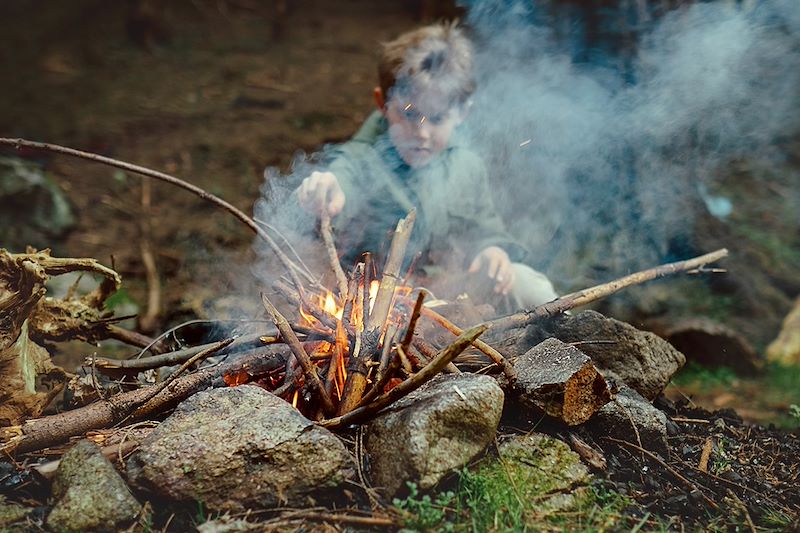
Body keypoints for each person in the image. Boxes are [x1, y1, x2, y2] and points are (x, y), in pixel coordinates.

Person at [295, 22, 557, 310]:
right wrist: (327, 189)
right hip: (376, 310)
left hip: (446, 300)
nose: (421, 133)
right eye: (410, 115)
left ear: (462, 112)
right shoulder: (363, 156)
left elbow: (484, 228)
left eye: (436, 119)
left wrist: (491, 250)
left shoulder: (466, 165)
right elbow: (343, 172)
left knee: (530, 289)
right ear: (382, 104)